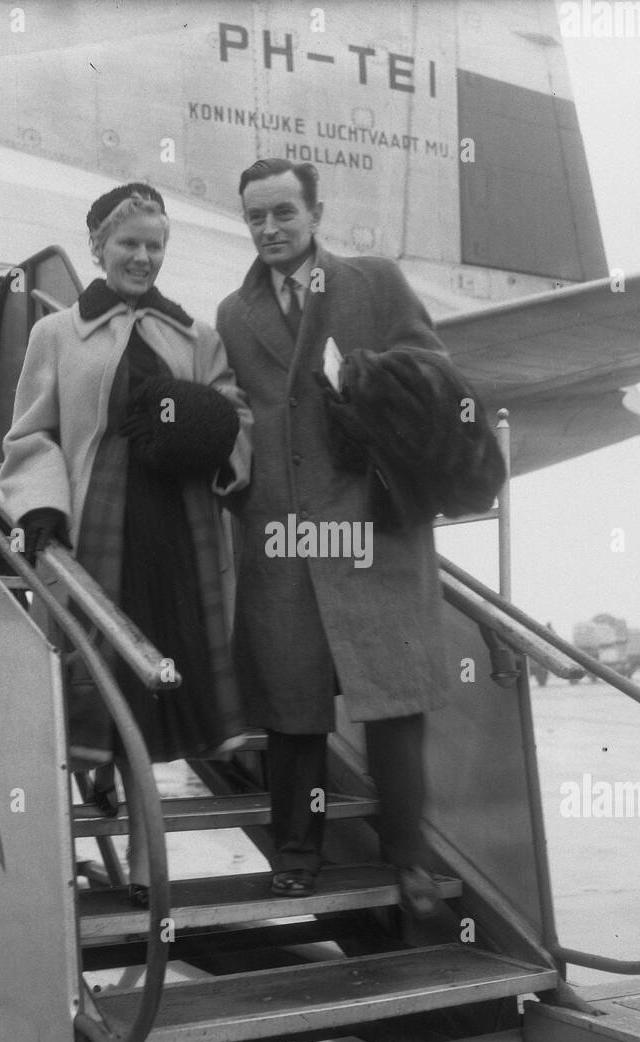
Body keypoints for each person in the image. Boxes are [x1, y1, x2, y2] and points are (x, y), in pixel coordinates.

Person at [0, 183, 252, 906]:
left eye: (154, 246)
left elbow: (234, 419)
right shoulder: (55, 335)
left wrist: (210, 435)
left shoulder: (196, 335)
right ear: (98, 249)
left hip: (178, 526)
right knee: (95, 669)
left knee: (151, 683)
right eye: (128, 244)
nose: (142, 257)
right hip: (95, 520)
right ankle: (81, 797)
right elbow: (30, 434)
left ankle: (147, 862)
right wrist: (41, 503)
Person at [215, 158, 450, 914]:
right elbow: (240, 413)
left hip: (371, 526)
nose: (270, 229)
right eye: (256, 217)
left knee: (393, 703)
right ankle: (297, 852)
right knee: (294, 709)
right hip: (283, 533)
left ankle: (408, 857)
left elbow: (434, 374)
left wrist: (368, 376)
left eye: (284, 213)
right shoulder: (232, 312)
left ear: (316, 213)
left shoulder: (374, 282)